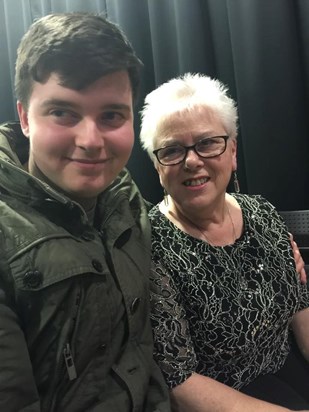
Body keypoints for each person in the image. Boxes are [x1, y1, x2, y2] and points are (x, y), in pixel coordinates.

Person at [0, 12, 171, 411]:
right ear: (25, 118)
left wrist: (244, 222)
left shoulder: (123, 197)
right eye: (63, 112)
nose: (91, 141)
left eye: (111, 115)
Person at [139, 72, 309, 411]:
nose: (191, 160)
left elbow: (300, 310)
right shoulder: (150, 246)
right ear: (158, 167)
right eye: (172, 150)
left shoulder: (262, 212)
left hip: (288, 371)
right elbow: (179, 381)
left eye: (207, 143)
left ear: (232, 152)